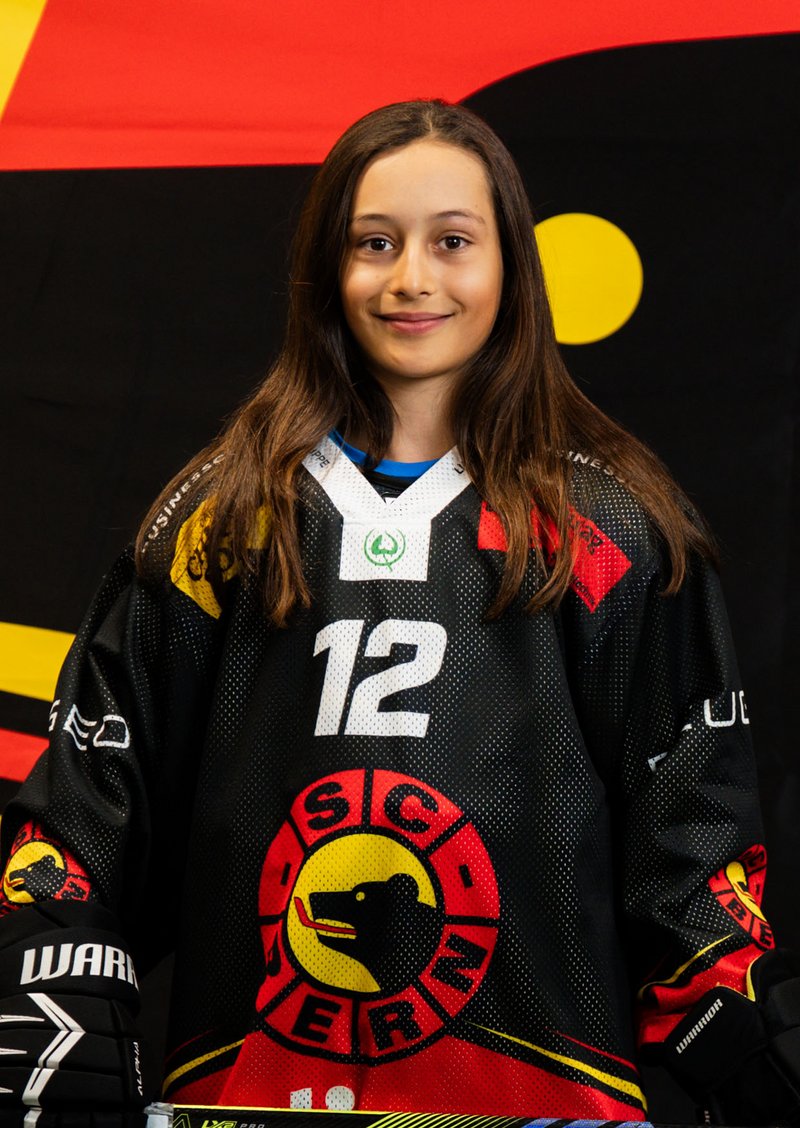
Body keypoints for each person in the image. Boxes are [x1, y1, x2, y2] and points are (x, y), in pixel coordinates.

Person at [0, 99, 798, 1126]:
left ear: (511, 265)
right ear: (324, 270)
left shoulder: (608, 531)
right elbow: (86, 820)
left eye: (451, 242)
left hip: (545, 1107)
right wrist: (50, 971)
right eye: (373, 243)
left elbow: (689, 856)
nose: (411, 277)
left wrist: (741, 1027)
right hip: (255, 1108)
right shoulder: (219, 520)